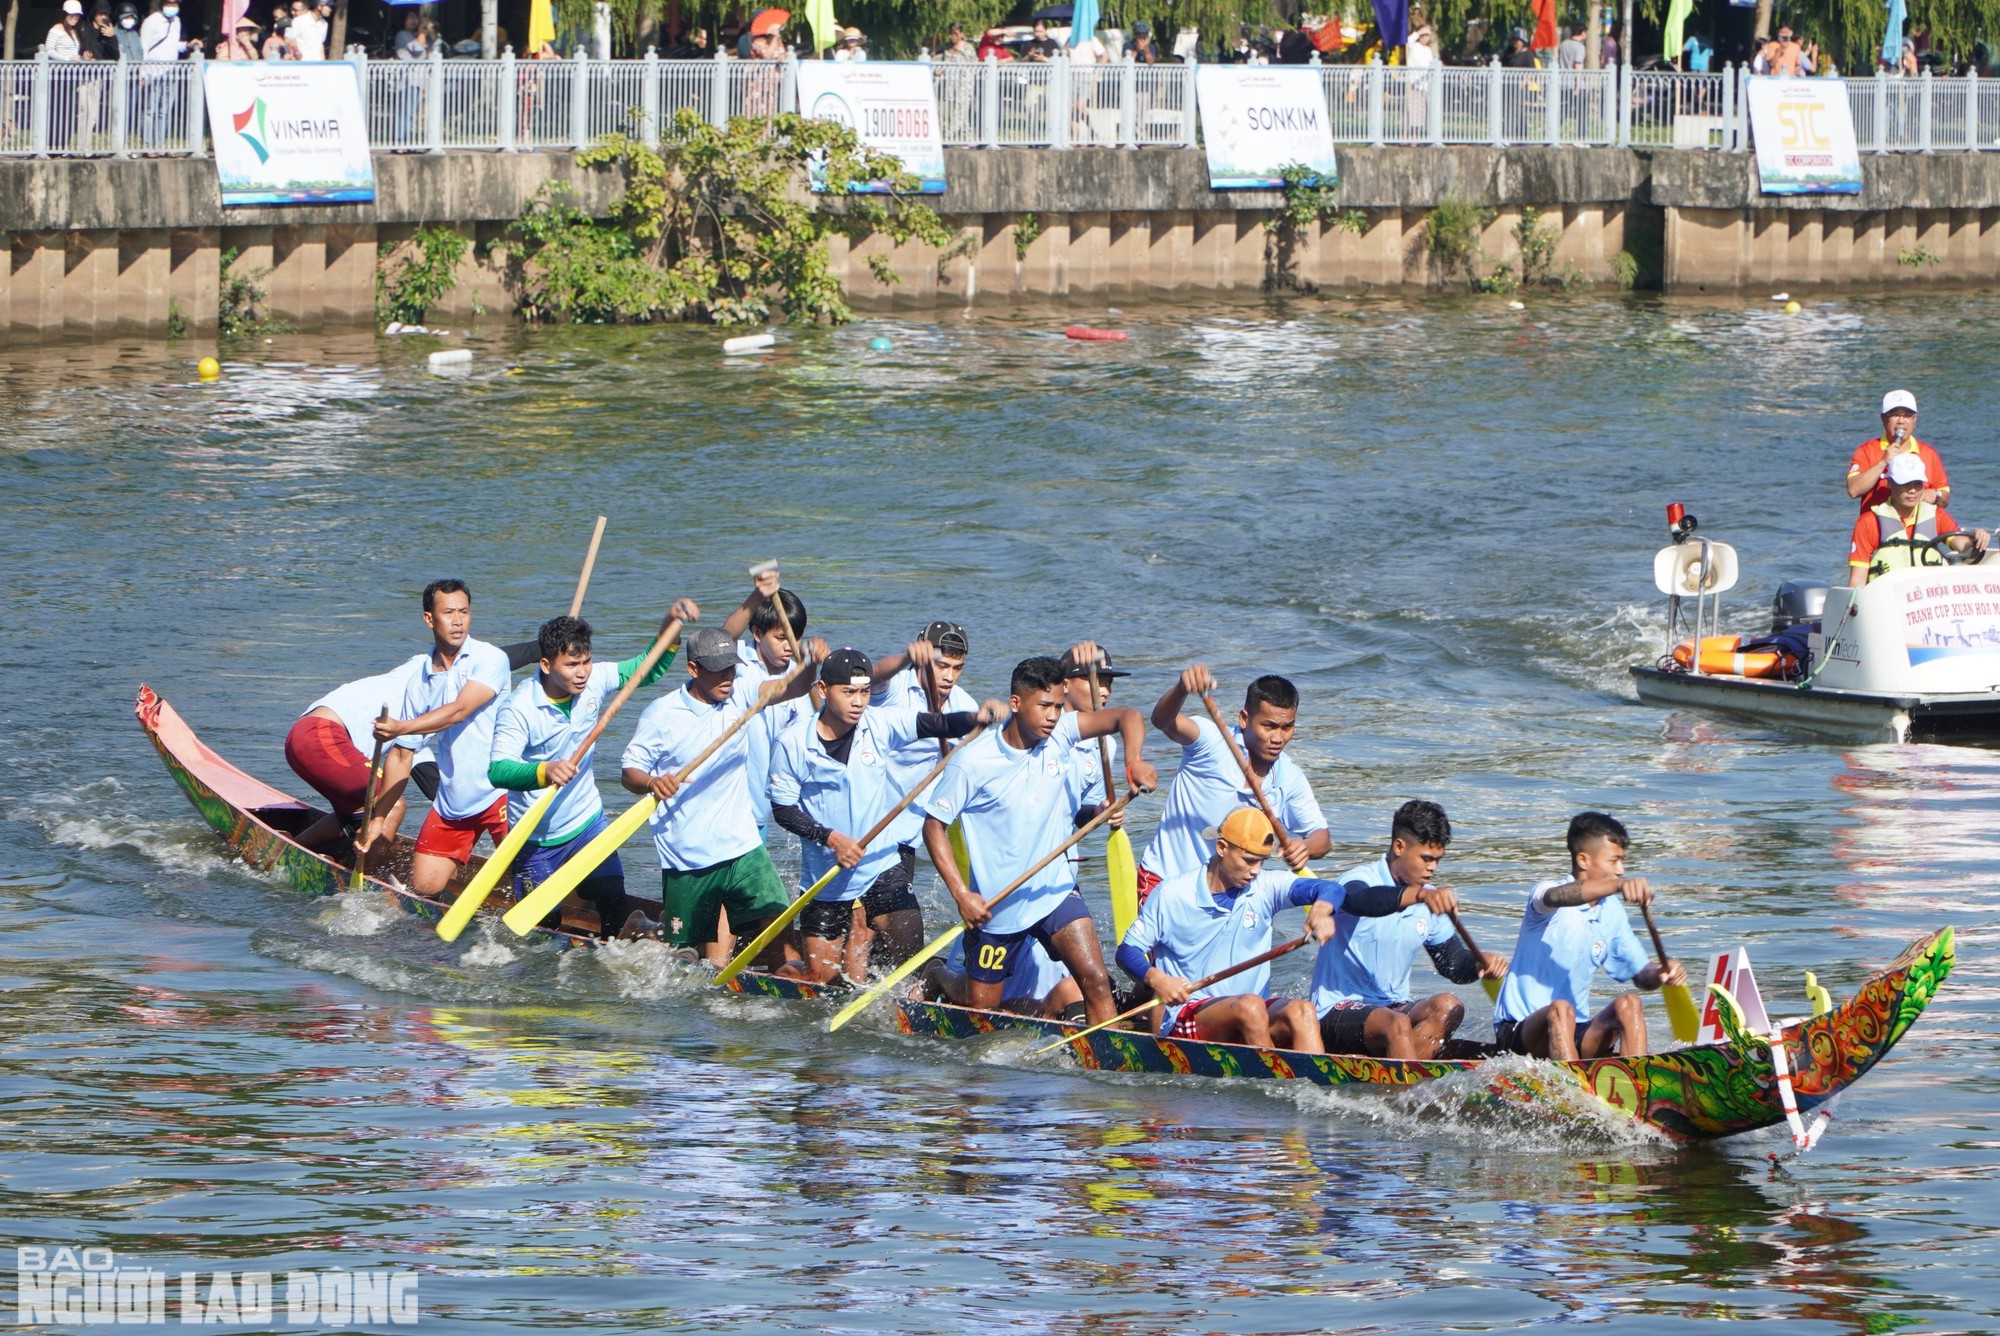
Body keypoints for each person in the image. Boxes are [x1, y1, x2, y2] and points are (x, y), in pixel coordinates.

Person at [922, 654, 1158, 1027]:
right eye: (1044, 705)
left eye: (1059, 706)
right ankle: (938, 974)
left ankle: (1109, 1069)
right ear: (1016, 703)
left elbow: (1126, 717)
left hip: (1055, 890)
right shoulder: (972, 763)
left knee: (1096, 981)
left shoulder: (1061, 732)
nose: (1053, 715)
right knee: (980, 1012)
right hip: (998, 905)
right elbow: (933, 826)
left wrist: (1134, 762)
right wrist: (961, 894)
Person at [769, 647, 998, 984]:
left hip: (880, 861)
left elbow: (933, 723)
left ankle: (919, 990)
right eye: (848, 692)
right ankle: (789, 972)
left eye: (863, 692)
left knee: (908, 951)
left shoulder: (879, 724)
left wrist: (976, 718)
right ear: (822, 690)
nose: (859, 701)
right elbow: (783, 810)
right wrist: (831, 839)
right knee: (821, 980)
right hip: (828, 874)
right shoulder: (792, 743)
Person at [1121, 808, 1413, 1052]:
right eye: (1249, 860)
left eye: (1262, 861)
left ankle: (1318, 1096)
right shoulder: (1172, 895)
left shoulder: (1264, 887)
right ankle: (1276, 1086)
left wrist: (1323, 908)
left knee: (1302, 1011)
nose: (1256, 871)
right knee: (1249, 1007)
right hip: (1190, 1015)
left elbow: (1330, 888)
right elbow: (1127, 950)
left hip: (1253, 1012)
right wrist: (1156, 978)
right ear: (1222, 848)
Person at [620, 626, 821, 968]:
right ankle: (640, 926)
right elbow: (629, 773)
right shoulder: (661, 714)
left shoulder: (741, 692)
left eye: (731, 667)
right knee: (682, 950)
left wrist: (810, 664)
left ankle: (789, 979)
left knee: (778, 928)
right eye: (718, 670)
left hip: (741, 844)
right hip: (688, 853)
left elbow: (792, 687)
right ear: (694, 669)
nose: (727, 677)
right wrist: (653, 782)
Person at [487, 607, 692, 941]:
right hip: (535, 838)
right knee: (541, 933)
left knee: (613, 905)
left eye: (586, 662)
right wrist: (544, 771)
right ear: (545, 665)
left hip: (587, 823)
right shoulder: (519, 708)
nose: (582, 673)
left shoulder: (593, 680)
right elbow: (497, 770)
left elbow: (646, 670)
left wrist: (670, 626)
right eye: (571, 665)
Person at [1307, 801, 1508, 1060]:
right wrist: (1419, 895)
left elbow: (1452, 965)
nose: (1433, 868)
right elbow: (1361, 901)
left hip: (1392, 1009)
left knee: (1449, 1006)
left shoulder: (1428, 897)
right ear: (1399, 847)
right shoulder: (1359, 880)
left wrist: (1480, 963)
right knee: (1397, 1024)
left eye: (1437, 860)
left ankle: (1406, 1075)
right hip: (1335, 1011)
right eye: (1426, 858)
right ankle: (1409, 1093)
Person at [1492, 812, 1687, 1060]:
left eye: (1622, 861)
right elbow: (1556, 896)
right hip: (1520, 1033)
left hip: (1575, 1030)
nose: (1621, 870)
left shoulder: (1612, 911)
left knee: (1630, 1003)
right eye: (1614, 861)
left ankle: (1639, 1084)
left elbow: (1641, 976)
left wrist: (1661, 972)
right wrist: (1619, 886)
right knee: (1561, 1009)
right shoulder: (1544, 897)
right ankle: (1573, 1093)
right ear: (1583, 860)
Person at [364, 580, 515, 898]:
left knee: (531, 877)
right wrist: (378, 818)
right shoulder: (420, 680)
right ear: (429, 619)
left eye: (464, 611)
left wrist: (402, 726)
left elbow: (459, 710)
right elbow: (403, 756)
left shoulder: (490, 659)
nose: (458, 620)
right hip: (455, 799)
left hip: (504, 792)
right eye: (448, 612)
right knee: (422, 887)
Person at [1137, 665, 1330, 903]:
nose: (1278, 738)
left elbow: (1322, 837)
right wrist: (1181, 689)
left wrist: (1307, 847)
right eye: (1268, 726)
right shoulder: (1211, 741)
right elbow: (1163, 720)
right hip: (1165, 880)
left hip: (1227, 893)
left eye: (1286, 727)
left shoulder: (1289, 777)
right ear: (1244, 719)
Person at [719, 567, 817, 835]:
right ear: (757, 634)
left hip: (759, 805)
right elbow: (724, 637)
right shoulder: (738, 661)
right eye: (781, 638)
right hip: (724, 799)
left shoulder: (797, 674)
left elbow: (809, 736)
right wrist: (757, 595)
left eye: (796, 638)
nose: (789, 646)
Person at [1848, 454, 1989, 586]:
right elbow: (1857, 581)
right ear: (1889, 483)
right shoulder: (1868, 523)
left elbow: (1963, 545)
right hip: (1888, 602)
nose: (1912, 490)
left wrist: (1977, 539)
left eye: (1917, 484)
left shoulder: (1936, 515)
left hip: (1927, 601)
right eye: (1905, 483)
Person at [1848, 389, 1949, 512]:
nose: (1901, 421)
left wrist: (1935, 494)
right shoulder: (1866, 450)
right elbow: (1853, 490)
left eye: (1907, 415)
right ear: (1883, 419)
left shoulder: (1929, 453)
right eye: (1895, 414)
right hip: (1876, 527)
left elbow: (1945, 498)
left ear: (1914, 420)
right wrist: (1883, 462)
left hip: (1915, 528)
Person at [138, 0, 200, 153]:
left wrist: (187, 45)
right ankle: (147, 146)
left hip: (170, 72)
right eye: (169, 3)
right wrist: (143, 73)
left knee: (164, 112)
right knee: (149, 110)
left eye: (175, 4)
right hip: (153, 70)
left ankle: (160, 145)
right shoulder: (150, 21)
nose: (172, 7)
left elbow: (173, 45)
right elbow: (144, 47)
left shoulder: (176, 21)